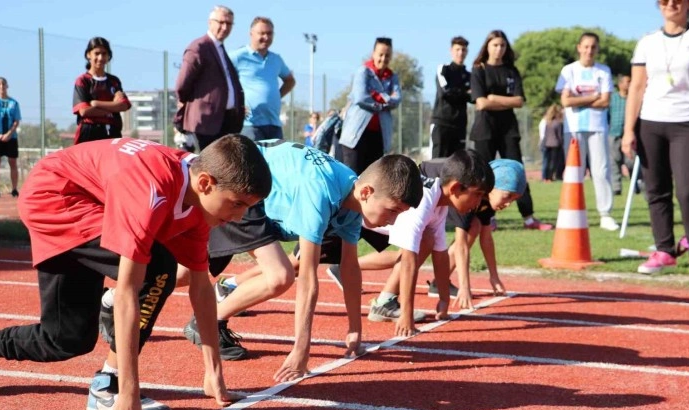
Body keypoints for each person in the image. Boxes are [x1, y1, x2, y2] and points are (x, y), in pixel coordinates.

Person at [0, 135, 271, 410]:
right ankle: (110, 384)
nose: (240, 216)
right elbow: (128, 290)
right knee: (157, 267)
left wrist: (213, 369)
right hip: (55, 197)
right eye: (238, 203)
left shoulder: (199, 204)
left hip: (92, 199)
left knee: (64, 339)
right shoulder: (151, 190)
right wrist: (129, 391)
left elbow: (201, 287)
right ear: (205, 183)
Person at [179, 141, 423, 380]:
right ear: (367, 192)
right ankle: (206, 322)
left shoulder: (352, 200)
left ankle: (197, 314)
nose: (392, 221)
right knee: (280, 276)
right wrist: (300, 349)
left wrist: (354, 329)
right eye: (392, 210)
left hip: (261, 201)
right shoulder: (319, 192)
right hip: (243, 192)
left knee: (184, 273)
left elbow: (349, 268)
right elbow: (308, 277)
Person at [342, 150, 494, 335]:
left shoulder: (440, 204)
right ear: (455, 188)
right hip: (346, 212)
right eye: (477, 194)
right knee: (299, 264)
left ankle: (384, 301)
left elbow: (440, 254)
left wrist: (444, 300)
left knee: (428, 239)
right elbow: (408, 262)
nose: (478, 203)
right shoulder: (425, 201)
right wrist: (406, 313)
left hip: (371, 223)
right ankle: (349, 273)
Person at [622, 0, 689, 280]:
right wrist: (628, 130)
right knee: (656, 190)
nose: (670, 4)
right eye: (664, 0)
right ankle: (664, 250)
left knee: (688, 189)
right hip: (651, 122)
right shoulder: (647, 42)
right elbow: (636, 87)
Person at [469, 30, 552, 231]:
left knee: (518, 172)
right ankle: (487, 218)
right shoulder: (478, 70)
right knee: (483, 176)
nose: (499, 49)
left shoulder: (511, 71)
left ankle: (529, 219)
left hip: (508, 130)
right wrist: (500, 101)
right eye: (495, 45)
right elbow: (480, 104)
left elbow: (519, 101)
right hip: (484, 130)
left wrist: (494, 98)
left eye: (502, 45)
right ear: (487, 46)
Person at [424, 159, 526, 309]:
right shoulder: (468, 194)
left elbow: (486, 237)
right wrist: (465, 287)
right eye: (507, 195)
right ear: (493, 186)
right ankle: (388, 296)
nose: (508, 204)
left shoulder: (487, 198)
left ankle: (439, 283)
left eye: (514, 199)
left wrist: (494, 276)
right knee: (410, 254)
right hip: (422, 192)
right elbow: (461, 245)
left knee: (476, 225)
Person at [557, 32, 620, 231]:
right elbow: (565, 101)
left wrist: (580, 99)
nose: (589, 50)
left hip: (597, 127)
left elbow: (605, 101)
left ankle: (605, 214)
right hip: (573, 128)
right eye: (586, 46)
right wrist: (593, 97)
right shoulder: (568, 70)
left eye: (593, 47)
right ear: (579, 47)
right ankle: (573, 211)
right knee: (574, 172)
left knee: (601, 171)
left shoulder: (603, 71)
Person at [175, 6, 245, 151]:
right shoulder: (199, 47)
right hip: (205, 123)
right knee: (205, 165)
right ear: (210, 22)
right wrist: (188, 105)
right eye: (220, 22)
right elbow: (182, 84)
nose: (225, 27)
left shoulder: (220, 49)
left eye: (229, 24)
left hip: (224, 122)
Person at [340, 37, 402, 175]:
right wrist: (385, 101)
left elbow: (397, 99)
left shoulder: (393, 77)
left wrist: (376, 95)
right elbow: (361, 97)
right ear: (373, 53)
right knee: (351, 180)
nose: (383, 58)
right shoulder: (363, 72)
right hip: (355, 138)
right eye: (380, 54)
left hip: (378, 137)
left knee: (373, 180)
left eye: (387, 55)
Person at [232, 17, 296, 141]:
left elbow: (290, 81)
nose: (266, 37)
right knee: (253, 160)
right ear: (251, 34)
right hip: (249, 125)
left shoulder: (276, 59)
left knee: (275, 160)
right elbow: (222, 81)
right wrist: (235, 103)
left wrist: (277, 95)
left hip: (274, 124)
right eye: (262, 33)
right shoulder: (238, 56)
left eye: (269, 33)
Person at [72, 37, 131, 145]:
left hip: (113, 133)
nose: (100, 58)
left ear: (108, 56)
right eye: (97, 53)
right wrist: (113, 107)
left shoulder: (114, 81)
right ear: (88, 55)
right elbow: (84, 111)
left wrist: (96, 104)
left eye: (104, 54)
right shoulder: (83, 81)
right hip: (89, 133)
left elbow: (124, 105)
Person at [430, 36, 471, 158]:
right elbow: (445, 92)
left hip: (460, 125)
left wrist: (461, 93)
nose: (460, 53)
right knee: (437, 162)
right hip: (441, 123)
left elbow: (474, 97)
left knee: (457, 163)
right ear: (451, 50)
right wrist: (464, 92)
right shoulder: (444, 69)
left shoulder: (469, 76)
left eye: (463, 50)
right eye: (457, 49)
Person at [0, 77, 21, 197]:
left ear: (7, 86)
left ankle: (15, 189)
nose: (1, 86)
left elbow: (16, 121)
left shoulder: (14, 103)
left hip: (11, 137)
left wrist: (8, 134)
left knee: (13, 162)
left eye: (3, 84)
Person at [608, 74, 631, 195]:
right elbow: (607, 114)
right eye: (627, 81)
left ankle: (636, 184)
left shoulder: (633, 98)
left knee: (630, 161)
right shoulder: (613, 98)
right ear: (620, 84)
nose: (629, 84)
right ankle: (616, 187)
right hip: (614, 132)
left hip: (629, 133)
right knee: (614, 161)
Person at [542, 104, 564, 181]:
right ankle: (552, 176)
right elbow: (560, 135)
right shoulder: (558, 123)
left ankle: (546, 177)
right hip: (555, 144)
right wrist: (562, 143)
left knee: (547, 161)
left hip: (547, 144)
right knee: (554, 162)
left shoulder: (548, 123)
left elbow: (545, 134)